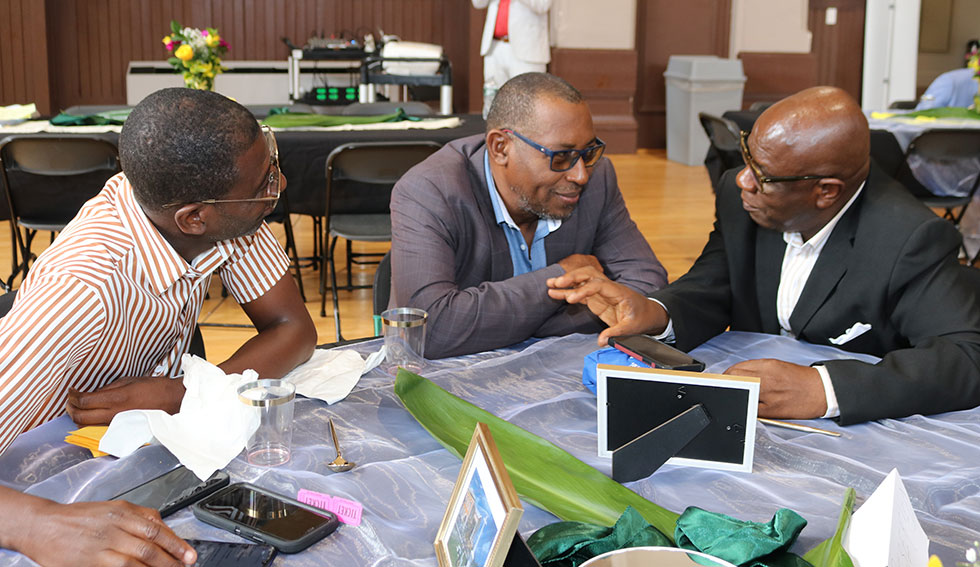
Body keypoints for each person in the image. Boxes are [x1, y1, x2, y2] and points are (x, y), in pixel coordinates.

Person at [0, 87, 317, 565]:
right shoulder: (80, 289)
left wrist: (184, 391)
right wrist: (34, 524)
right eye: (264, 183)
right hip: (35, 479)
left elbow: (294, 328)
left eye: (271, 164)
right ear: (194, 218)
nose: (281, 183)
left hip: (136, 456)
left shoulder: (219, 215)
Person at [549, 86, 980, 425]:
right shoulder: (747, 198)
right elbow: (717, 281)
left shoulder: (909, 237)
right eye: (746, 157)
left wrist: (823, 388)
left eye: (762, 177)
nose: (741, 182)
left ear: (825, 191)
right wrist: (657, 312)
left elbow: (965, 357)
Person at [390, 72, 667, 359]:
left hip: (562, 372)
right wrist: (563, 275)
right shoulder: (429, 191)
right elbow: (428, 329)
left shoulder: (599, 179)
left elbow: (648, 286)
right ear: (500, 148)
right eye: (560, 157)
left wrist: (516, 323)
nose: (580, 174)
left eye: (588, 152)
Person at [472, 0, 553, 117]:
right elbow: (478, 3)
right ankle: (496, 133)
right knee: (494, 102)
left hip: (526, 50)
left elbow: (543, 5)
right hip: (495, 46)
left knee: (527, 102)